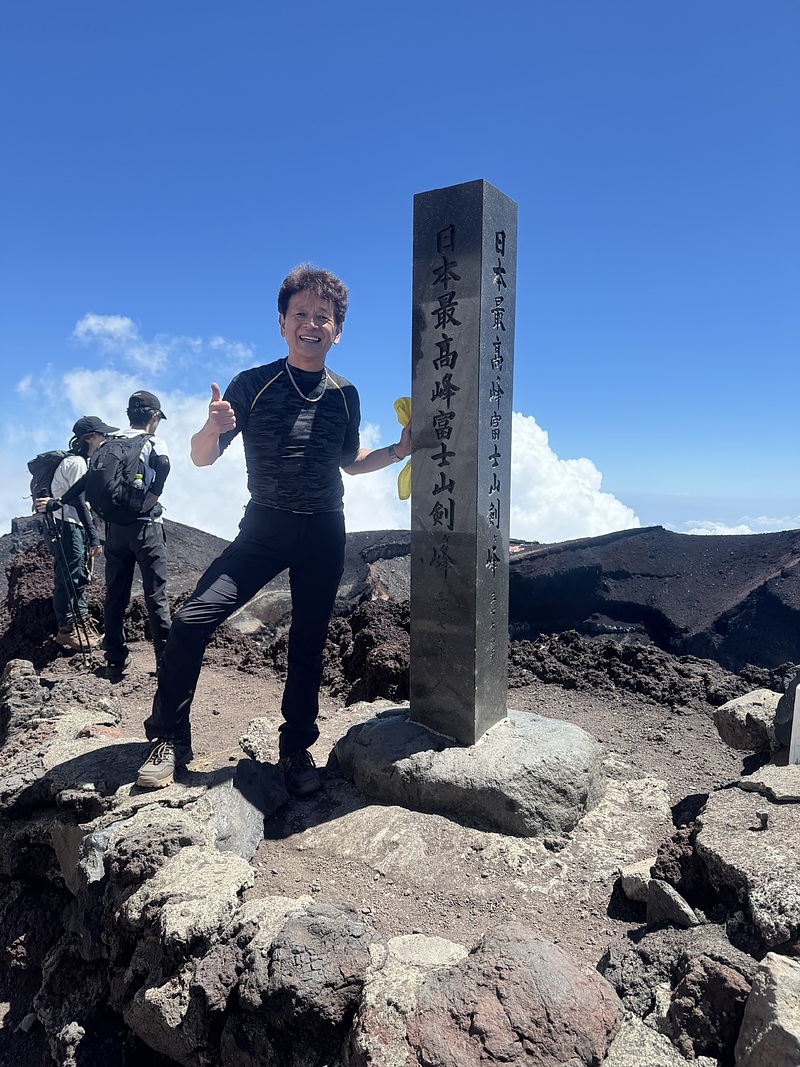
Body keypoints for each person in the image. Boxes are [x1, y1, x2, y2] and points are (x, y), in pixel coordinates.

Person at [137, 264, 412, 794]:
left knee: (308, 640)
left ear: (339, 329)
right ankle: (167, 736)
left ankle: (296, 752)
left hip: (325, 530)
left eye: (324, 317)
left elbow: (348, 460)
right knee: (194, 619)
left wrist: (399, 450)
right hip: (264, 526)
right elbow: (201, 458)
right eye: (301, 314)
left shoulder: (344, 393)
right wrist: (211, 428)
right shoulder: (252, 385)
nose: (312, 324)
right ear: (282, 322)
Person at [101, 391, 172, 674]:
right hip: (145, 526)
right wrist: (154, 494)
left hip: (115, 528)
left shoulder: (112, 440)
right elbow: (164, 464)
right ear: (154, 417)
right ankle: (165, 660)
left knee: (115, 592)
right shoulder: (153, 441)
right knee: (155, 591)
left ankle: (115, 657)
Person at [34, 416, 119, 650]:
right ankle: (68, 629)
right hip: (67, 525)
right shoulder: (77, 464)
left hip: (69, 524)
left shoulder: (79, 462)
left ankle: (79, 624)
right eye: (102, 435)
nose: (106, 438)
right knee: (70, 576)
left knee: (76, 575)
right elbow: (80, 502)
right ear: (89, 438)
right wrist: (93, 537)